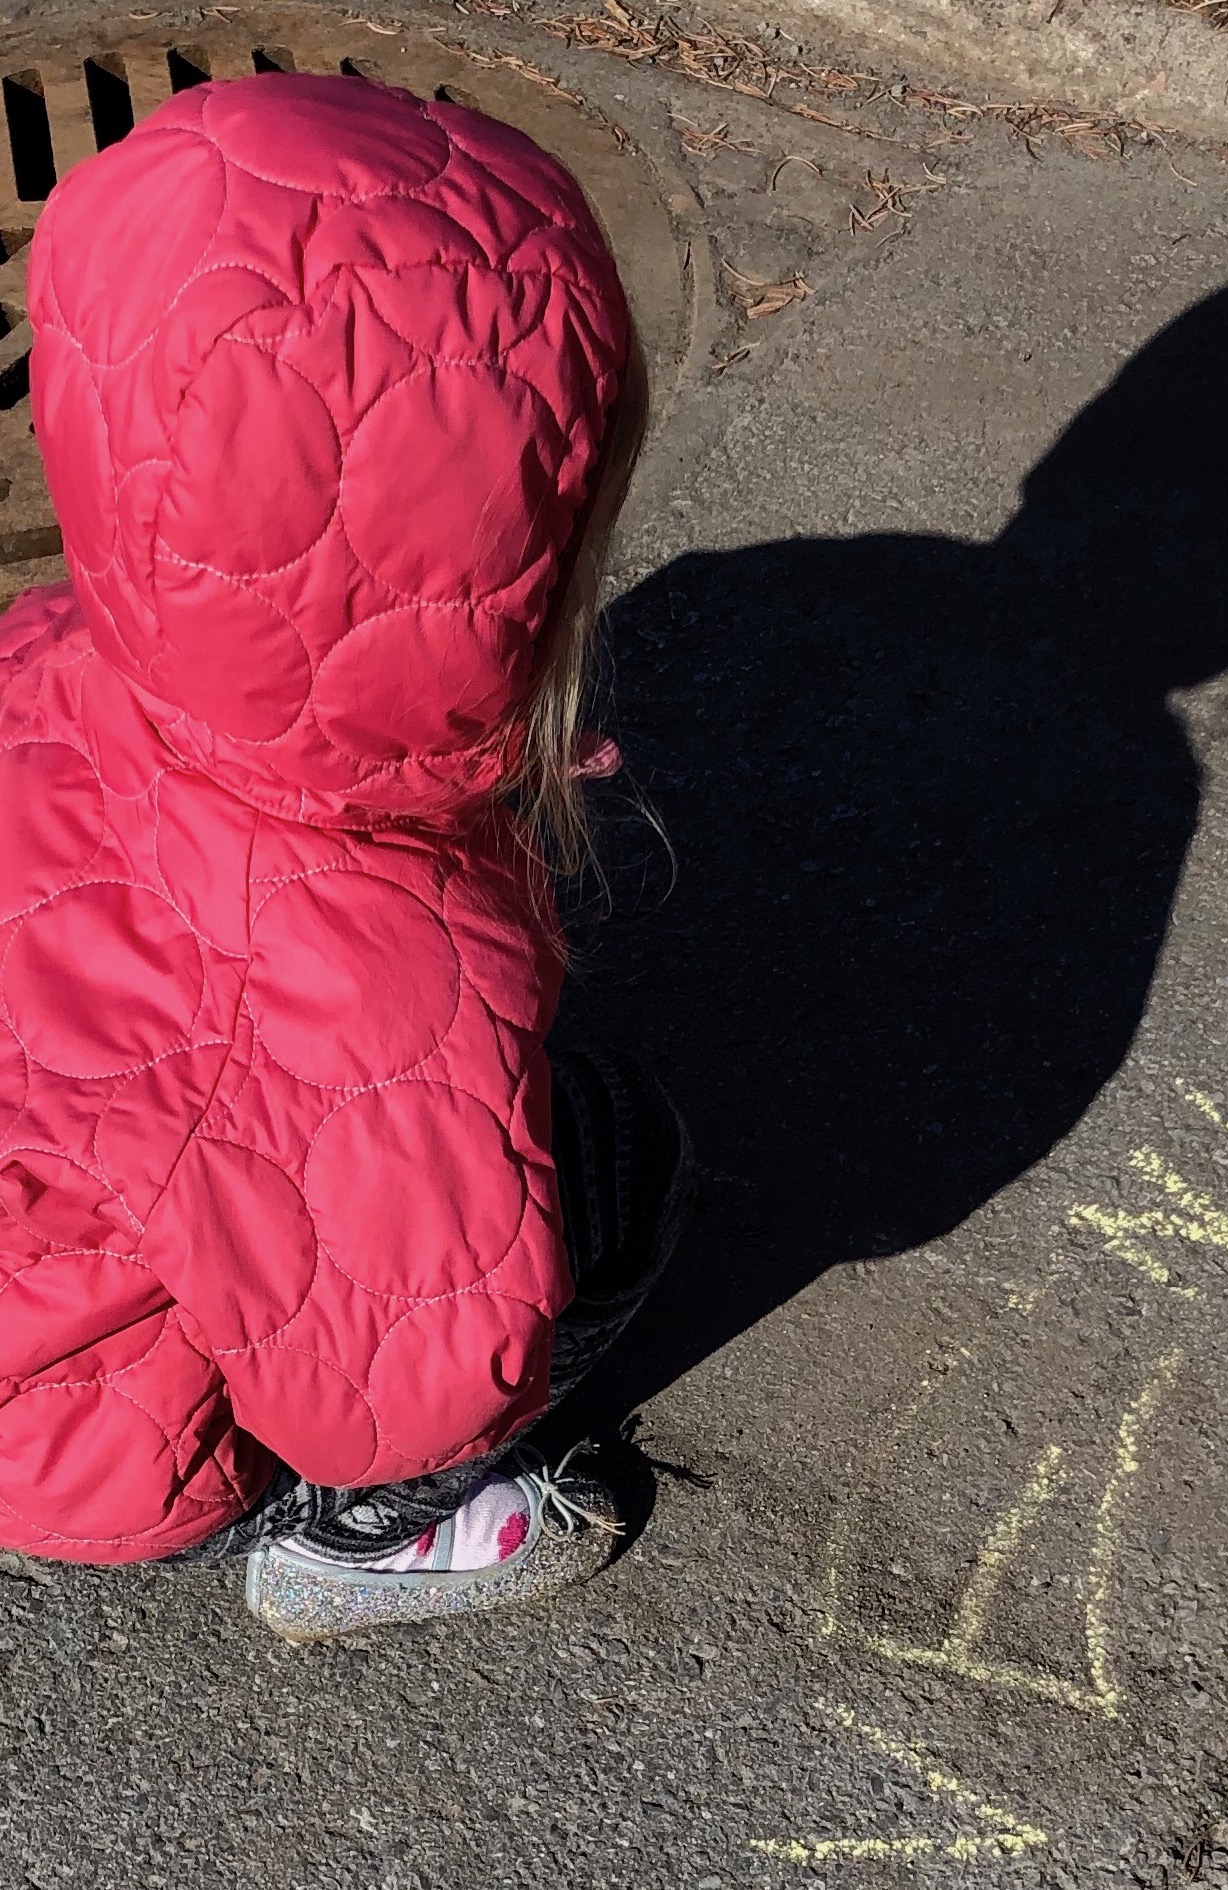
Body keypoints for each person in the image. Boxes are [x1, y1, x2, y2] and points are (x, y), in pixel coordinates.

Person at [0, 71, 692, 1633]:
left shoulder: (41, 649)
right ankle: (360, 1548)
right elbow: (405, 1372)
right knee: (624, 1157)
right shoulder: (368, 965)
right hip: (76, 1446)